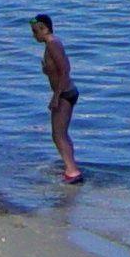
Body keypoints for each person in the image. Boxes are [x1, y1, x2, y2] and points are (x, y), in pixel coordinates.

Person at [30, 14, 83, 184]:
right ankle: (71, 167)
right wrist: (48, 71)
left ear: (44, 29)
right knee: (61, 134)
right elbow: (57, 70)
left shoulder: (53, 44)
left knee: (58, 135)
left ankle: (72, 171)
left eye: (35, 31)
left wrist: (56, 96)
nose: (34, 35)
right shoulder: (51, 44)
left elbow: (65, 70)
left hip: (64, 93)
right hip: (65, 92)